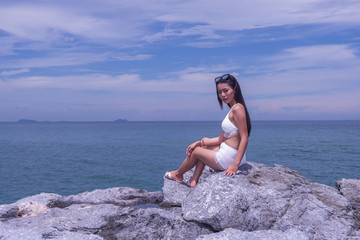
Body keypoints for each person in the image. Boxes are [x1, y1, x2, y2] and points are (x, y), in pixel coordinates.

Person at [164, 73, 251, 189]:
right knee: (203, 146)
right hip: (230, 153)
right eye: (220, 92)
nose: (222, 95)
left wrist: (234, 165)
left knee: (196, 152)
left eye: (226, 91)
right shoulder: (234, 109)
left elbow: (245, 138)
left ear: (234, 89)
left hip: (229, 158)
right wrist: (199, 142)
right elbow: (221, 139)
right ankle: (194, 180)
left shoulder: (237, 109)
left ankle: (178, 174)